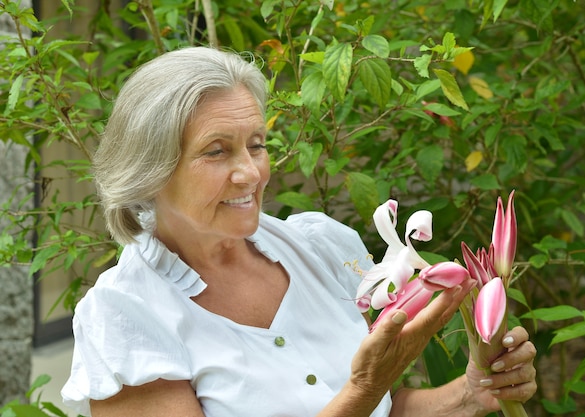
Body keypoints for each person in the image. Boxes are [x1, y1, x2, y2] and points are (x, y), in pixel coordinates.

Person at [61, 47, 537, 417]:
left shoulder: (322, 248)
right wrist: (361, 390)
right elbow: (364, 398)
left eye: (256, 144)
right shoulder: (126, 318)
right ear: (152, 170)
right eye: (216, 151)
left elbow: (386, 408)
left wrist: (472, 393)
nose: (251, 173)